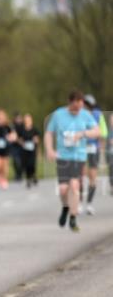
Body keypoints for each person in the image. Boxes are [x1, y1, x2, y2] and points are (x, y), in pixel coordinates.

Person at [44, 91, 100, 233]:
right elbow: (49, 133)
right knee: (63, 189)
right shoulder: (58, 115)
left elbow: (97, 131)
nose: (77, 111)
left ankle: (73, 218)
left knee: (74, 186)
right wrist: (50, 150)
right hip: (62, 156)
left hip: (78, 156)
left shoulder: (85, 115)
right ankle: (65, 207)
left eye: (80, 107)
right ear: (70, 103)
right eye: (75, 107)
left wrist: (83, 134)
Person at [81, 94, 108, 215]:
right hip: (81, 149)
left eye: (88, 105)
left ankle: (89, 203)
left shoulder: (98, 115)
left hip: (93, 148)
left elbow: (104, 133)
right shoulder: (79, 115)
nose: (86, 107)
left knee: (93, 177)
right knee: (81, 176)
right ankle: (80, 202)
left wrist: (100, 145)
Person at [18, 113, 40, 188]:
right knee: (26, 165)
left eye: (29, 120)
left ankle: (33, 175)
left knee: (32, 164)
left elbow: (37, 139)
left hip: (32, 150)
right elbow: (19, 139)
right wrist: (22, 142)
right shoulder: (22, 129)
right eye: (26, 120)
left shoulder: (34, 129)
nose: (27, 121)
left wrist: (35, 140)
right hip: (25, 150)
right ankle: (28, 179)